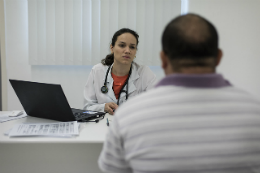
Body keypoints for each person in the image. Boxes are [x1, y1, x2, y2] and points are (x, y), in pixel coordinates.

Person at [98, 14, 260, 172]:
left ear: (163, 59)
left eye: (132, 47)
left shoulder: (127, 116)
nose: (127, 50)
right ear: (218, 57)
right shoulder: (254, 112)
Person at [83, 28, 157, 115]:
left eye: (132, 47)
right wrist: (103, 107)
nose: (127, 51)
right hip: (102, 125)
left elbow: (155, 107)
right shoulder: (97, 71)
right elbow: (87, 108)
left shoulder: (145, 73)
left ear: (135, 52)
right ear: (112, 48)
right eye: (122, 45)